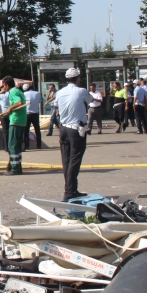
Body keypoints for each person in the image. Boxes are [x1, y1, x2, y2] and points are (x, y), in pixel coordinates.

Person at [54, 68, 93, 200]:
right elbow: (91, 100)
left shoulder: (60, 92)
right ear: (77, 78)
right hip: (76, 129)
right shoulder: (81, 91)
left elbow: (55, 106)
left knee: (66, 160)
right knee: (75, 159)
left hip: (63, 128)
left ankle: (71, 189)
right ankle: (69, 191)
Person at [0, 76, 26, 175]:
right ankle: (17, 166)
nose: (3, 87)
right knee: (17, 145)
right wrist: (5, 113)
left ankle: (15, 168)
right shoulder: (19, 91)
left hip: (15, 121)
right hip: (21, 120)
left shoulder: (12, 92)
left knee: (12, 145)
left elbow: (19, 103)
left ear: (7, 85)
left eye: (3, 85)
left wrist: (10, 107)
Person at [23, 83, 43, 150]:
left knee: (26, 130)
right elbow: (40, 101)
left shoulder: (24, 94)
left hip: (27, 113)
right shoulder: (37, 93)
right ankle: (39, 145)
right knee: (37, 130)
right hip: (35, 113)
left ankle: (27, 146)